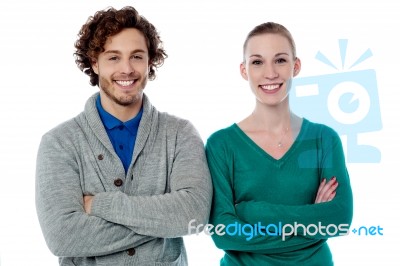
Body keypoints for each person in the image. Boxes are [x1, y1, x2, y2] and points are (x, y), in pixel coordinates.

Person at [35, 6, 212, 266]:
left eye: (137, 56)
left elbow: (193, 214)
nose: (127, 69)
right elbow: (63, 236)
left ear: (150, 61)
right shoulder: (59, 143)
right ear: (95, 62)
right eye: (113, 57)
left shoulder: (180, 135)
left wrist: (100, 205)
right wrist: (162, 223)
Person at [205, 22, 353, 265]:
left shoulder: (324, 139)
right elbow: (224, 233)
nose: (270, 73)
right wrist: (313, 222)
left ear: (296, 66)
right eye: (257, 62)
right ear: (244, 71)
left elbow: (339, 219)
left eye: (280, 60)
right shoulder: (221, 145)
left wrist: (251, 212)